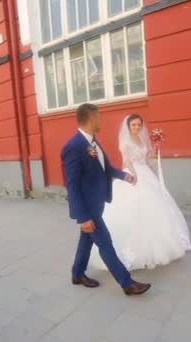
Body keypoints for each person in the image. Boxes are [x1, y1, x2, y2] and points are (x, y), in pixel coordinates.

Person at [61, 103, 151, 296]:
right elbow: (72, 185)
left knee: (86, 239)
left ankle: (77, 274)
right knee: (105, 242)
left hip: (98, 202)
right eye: (98, 117)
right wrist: (83, 217)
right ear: (90, 119)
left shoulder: (92, 142)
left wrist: (124, 175)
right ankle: (127, 283)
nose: (101, 120)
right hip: (88, 208)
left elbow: (105, 168)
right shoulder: (74, 146)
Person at [89, 114, 191, 271]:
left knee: (156, 208)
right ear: (128, 127)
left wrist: (156, 148)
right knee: (134, 210)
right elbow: (126, 161)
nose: (136, 128)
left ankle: (160, 244)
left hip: (146, 174)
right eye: (133, 125)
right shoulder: (125, 142)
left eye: (139, 125)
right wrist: (132, 174)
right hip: (133, 175)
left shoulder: (143, 141)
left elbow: (148, 158)